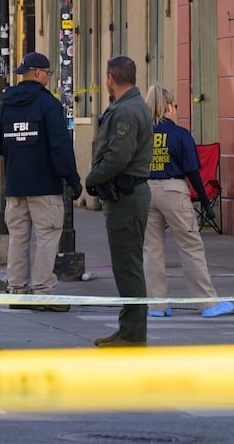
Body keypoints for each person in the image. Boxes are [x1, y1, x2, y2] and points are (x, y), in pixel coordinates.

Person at [0, 50, 80, 309]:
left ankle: (16, 289)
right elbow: (60, 146)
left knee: (18, 237)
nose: (49, 78)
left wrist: (15, 153)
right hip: (44, 186)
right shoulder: (48, 104)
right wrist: (72, 179)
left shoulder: (7, 103)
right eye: (48, 74)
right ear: (39, 74)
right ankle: (43, 291)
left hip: (15, 185)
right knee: (48, 236)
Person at [142, 85, 234, 319]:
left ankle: (157, 305)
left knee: (151, 250)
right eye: (175, 106)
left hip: (145, 190)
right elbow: (193, 172)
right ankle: (206, 303)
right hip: (174, 189)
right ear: (169, 107)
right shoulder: (180, 134)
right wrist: (205, 202)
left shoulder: (141, 133)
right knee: (190, 246)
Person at [85, 54, 152, 347]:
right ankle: (127, 328)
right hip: (125, 195)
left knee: (128, 266)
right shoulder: (128, 107)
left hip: (126, 196)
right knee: (125, 264)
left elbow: (118, 156)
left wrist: (92, 178)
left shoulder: (126, 111)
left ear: (110, 79)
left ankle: (133, 334)